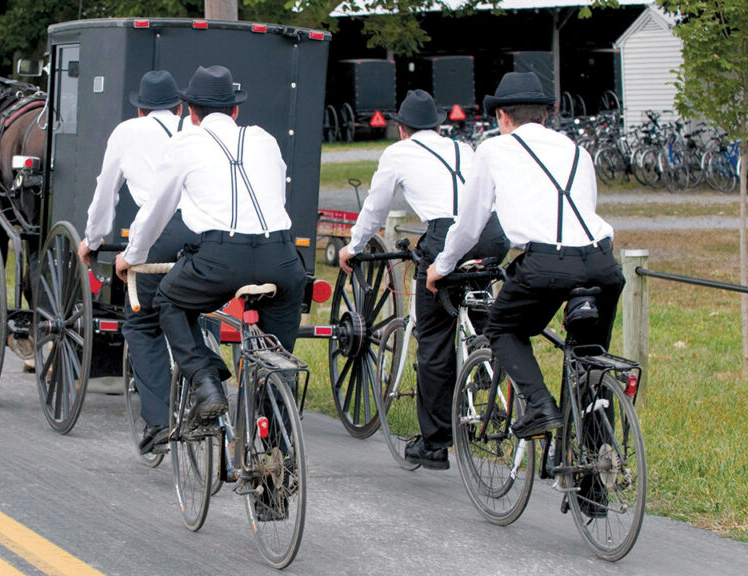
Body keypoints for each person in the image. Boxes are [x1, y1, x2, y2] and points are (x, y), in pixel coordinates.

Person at [425, 72, 623, 447]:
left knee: (502, 328)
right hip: (601, 262)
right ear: (546, 116)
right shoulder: (576, 150)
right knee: (591, 362)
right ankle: (593, 484)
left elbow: (470, 224)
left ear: (502, 116)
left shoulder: (493, 150)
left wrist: (442, 266)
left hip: (546, 264)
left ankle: (539, 405)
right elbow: (584, 208)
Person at [116, 65, 306, 429]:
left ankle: (205, 380)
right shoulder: (264, 138)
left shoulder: (185, 143)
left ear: (191, 112)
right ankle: (277, 451)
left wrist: (132, 257)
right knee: (276, 359)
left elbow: (157, 211)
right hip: (282, 258)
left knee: (169, 302)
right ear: (236, 111)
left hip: (221, 257)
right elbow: (275, 198)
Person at [338, 89, 509, 470]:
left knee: (433, 336)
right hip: (493, 233)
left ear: (402, 129)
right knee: (476, 299)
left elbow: (376, 206)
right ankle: (484, 363)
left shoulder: (398, 153)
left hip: (448, 235)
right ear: (437, 126)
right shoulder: (463, 147)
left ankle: (435, 443)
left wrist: (354, 245)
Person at [76, 70, 197, 454]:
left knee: (142, 323)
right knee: (193, 309)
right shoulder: (191, 130)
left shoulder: (127, 132)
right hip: (204, 231)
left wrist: (91, 240)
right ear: (179, 106)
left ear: (140, 110)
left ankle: (159, 423)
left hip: (158, 233)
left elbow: (104, 193)